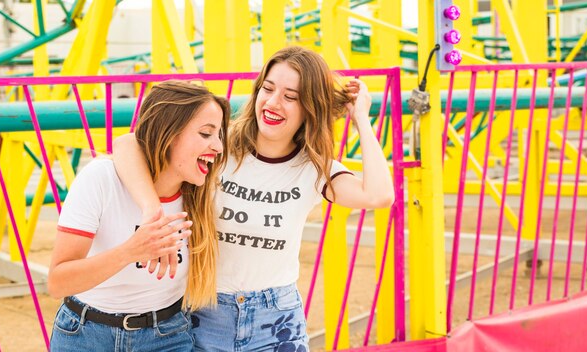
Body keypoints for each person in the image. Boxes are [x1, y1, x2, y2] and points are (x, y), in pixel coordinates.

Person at [113, 46, 395, 351]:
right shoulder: (221, 144)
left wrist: (361, 120)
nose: (273, 103)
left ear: (310, 107)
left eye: (290, 97)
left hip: (276, 320)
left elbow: (379, 195)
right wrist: (151, 210)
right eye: (268, 89)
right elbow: (128, 143)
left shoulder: (313, 169)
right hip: (203, 311)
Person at [48, 80, 230, 351]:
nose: (218, 146)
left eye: (219, 135)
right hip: (85, 336)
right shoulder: (102, 178)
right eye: (206, 133)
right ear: (168, 133)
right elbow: (57, 281)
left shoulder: (203, 194)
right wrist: (131, 251)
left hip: (167, 336)